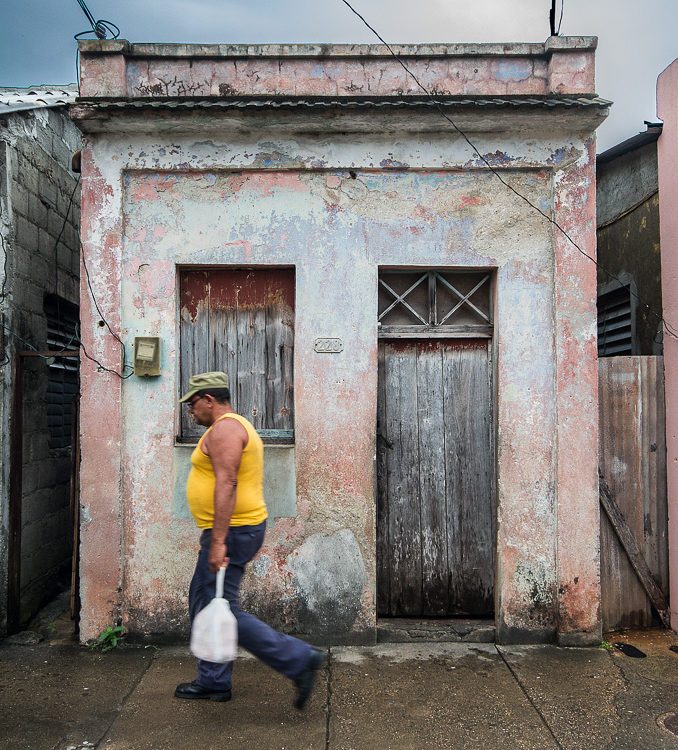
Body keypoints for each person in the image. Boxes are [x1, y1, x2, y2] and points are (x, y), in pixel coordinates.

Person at [174, 371, 324, 707]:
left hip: (232, 532)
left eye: (194, 403)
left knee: (220, 606)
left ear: (209, 400)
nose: (191, 411)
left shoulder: (226, 428)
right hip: (236, 529)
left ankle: (298, 659)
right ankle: (213, 679)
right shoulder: (230, 425)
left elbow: (227, 483)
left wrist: (217, 541)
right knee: (207, 602)